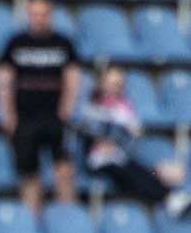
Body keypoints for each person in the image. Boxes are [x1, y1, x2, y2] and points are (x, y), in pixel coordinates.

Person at [0, 0, 80, 213]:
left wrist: (66, 111)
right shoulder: (16, 43)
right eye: (34, 14)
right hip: (25, 118)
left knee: (63, 170)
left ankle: (68, 220)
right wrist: (8, 116)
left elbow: (73, 78)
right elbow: (4, 80)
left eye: (43, 14)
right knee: (29, 174)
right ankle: (31, 226)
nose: (39, 18)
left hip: (54, 117)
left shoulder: (63, 44)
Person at [79, 65, 189, 217]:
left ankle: (169, 195)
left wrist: (117, 134)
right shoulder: (92, 105)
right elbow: (93, 130)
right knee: (127, 171)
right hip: (98, 160)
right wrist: (118, 132)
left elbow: (130, 138)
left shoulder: (125, 107)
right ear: (101, 82)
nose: (115, 87)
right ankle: (169, 196)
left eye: (118, 84)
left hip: (120, 157)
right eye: (111, 83)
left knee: (134, 171)